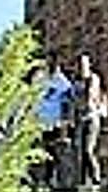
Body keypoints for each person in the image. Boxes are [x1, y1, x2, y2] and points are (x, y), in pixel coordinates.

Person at [35, 59, 75, 189]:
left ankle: (60, 181)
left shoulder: (60, 82)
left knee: (57, 152)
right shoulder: (41, 82)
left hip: (55, 123)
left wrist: (66, 120)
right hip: (41, 123)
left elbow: (69, 96)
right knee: (45, 152)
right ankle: (47, 179)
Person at [72, 54, 108, 189]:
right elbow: (74, 100)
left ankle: (95, 179)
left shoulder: (93, 78)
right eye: (80, 65)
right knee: (80, 151)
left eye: (84, 64)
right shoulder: (76, 81)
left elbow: (89, 98)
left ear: (89, 65)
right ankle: (82, 181)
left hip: (92, 118)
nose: (82, 67)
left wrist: (80, 102)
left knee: (88, 149)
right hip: (80, 119)